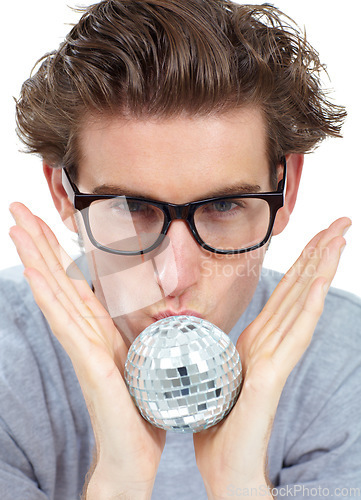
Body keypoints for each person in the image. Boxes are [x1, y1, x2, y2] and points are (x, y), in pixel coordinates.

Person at [1, 0, 360, 498]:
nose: (174, 277)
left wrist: (240, 489)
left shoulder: (349, 366)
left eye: (225, 206)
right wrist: (120, 485)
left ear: (286, 190)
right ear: (64, 194)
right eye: (130, 209)